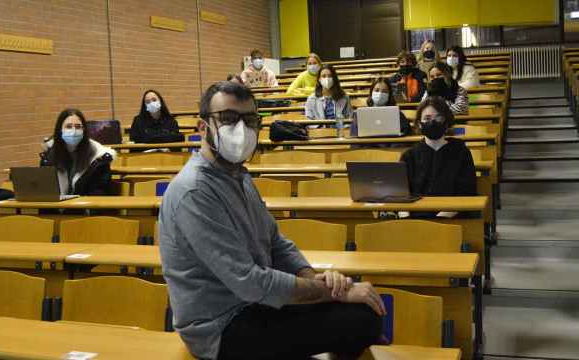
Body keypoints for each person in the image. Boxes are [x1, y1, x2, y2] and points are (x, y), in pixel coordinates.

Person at [159, 81, 385, 360]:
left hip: (255, 305)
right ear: (202, 127)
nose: (240, 129)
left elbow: (276, 243)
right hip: (221, 327)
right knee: (359, 321)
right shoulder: (194, 191)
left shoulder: (238, 176)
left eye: (249, 120)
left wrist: (313, 277)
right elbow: (250, 282)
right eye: (228, 119)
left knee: (362, 314)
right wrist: (333, 293)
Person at [401, 96, 476, 199]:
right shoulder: (409, 156)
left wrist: (445, 214)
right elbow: (402, 192)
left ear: (446, 121)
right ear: (420, 124)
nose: (433, 122)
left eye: (439, 117)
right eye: (427, 118)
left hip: (455, 212)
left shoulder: (460, 151)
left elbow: (467, 190)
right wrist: (406, 214)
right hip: (418, 213)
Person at [39, 108, 115, 196]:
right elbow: (44, 190)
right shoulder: (49, 157)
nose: (73, 131)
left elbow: (100, 193)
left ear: (84, 130)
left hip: (85, 207)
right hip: (56, 208)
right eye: (68, 126)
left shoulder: (99, 158)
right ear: (60, 130)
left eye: (78, 127)